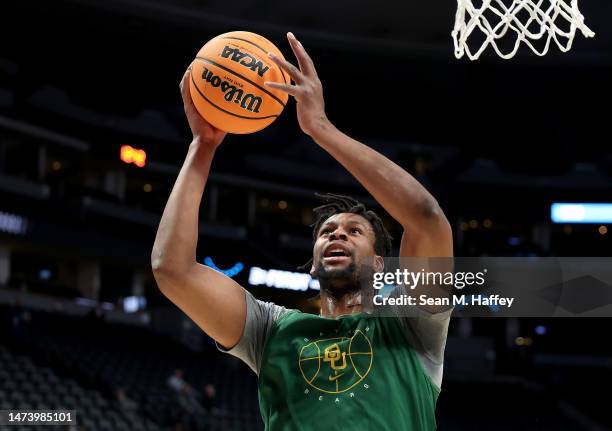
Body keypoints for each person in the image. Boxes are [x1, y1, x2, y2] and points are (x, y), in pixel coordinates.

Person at [152, 32, 453, 430]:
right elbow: (172, 270)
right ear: (312, 264)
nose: (336, 235)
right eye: (326, 231)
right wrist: (203, 146)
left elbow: (426, 217)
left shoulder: (412, 325)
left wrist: (320, 128)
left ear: (381, 265)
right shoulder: (271, 330)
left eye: (353, 231)